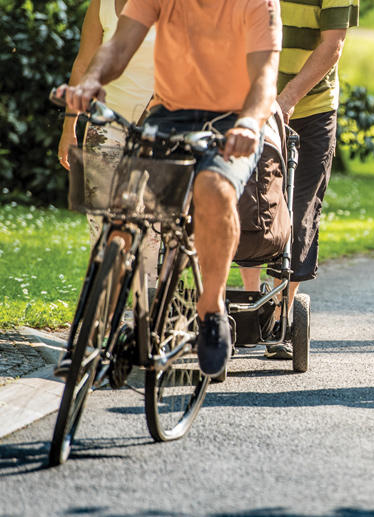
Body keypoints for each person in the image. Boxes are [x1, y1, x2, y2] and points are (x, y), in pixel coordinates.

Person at [57, 0, 282, 378]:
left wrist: (248, 123)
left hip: (233, 118)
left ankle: (211, 310)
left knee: (213, 187)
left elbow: (264, 77)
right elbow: (118, 45)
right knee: (121, 207)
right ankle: (98, 338)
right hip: (168, 113)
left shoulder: (258, 3)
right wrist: (93, 80)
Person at [240, 0, 359, 359]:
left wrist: (286, 99)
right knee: (250, 200)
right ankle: (251, 307)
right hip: (249, 99)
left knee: (299, 206)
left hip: (311, 108)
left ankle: (280, 312)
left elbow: (332, 45)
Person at [57, 0, 159, 288]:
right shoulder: (100, 5)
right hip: (106, 124)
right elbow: (83, 65)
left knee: (150, 227)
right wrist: (70, 125)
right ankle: (100, 310)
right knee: (101, 221)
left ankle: (144, 313)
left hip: (156, 129)